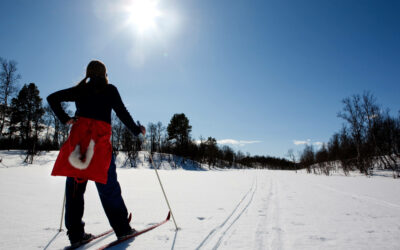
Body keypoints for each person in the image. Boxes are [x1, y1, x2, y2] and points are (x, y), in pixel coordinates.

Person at [47, 60, 146, 247]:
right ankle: (123, 229)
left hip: (79, 145)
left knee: (75, 189)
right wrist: (136, 130)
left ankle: (76, 235)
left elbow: (52, 98)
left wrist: (66, 119)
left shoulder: (80, 89)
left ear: (89, 73)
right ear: (104, 73)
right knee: (108, 187)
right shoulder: (110, 90)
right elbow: (122, 112)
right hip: (98, 145)